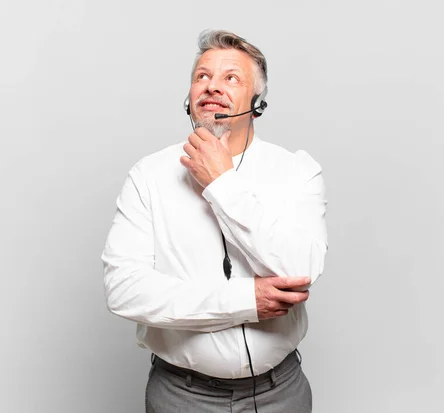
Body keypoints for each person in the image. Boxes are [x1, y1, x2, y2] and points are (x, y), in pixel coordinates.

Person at [101, 29, 328, 413]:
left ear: (257, 102)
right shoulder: (149, 175)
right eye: (202, 76)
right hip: (181, 396)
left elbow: (300, 268)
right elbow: (124, 290)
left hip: (280, 394)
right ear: (188, 98)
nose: (211, 87)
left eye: (231, 78)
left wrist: (221, 184)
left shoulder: (296, 171)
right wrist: (246, 300)